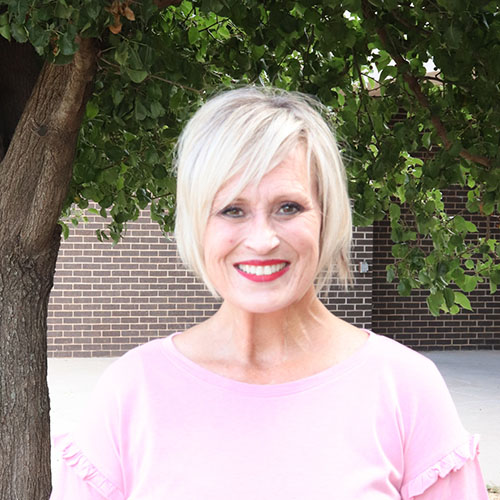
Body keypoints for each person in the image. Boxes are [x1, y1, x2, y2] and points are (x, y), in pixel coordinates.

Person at [50, 87, 488, 499]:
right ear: (198, 225)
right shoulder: (131, 392)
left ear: (325, 216)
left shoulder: (405, 389)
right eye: (232, 210)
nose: (261, 239)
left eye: (289, 207)